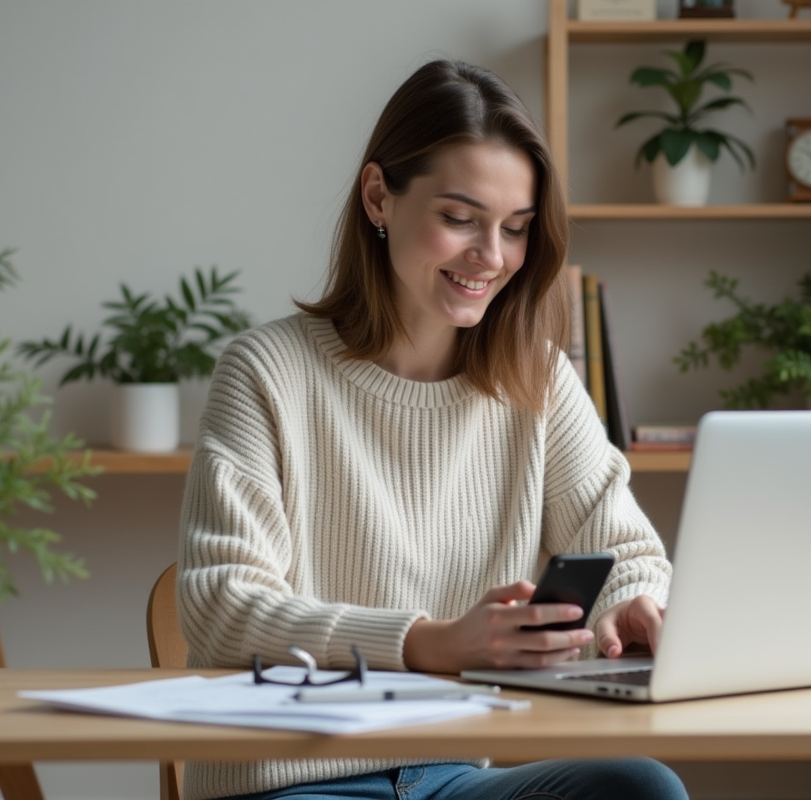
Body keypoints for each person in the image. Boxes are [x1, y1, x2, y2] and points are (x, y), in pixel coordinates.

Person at [177, 59, 688, 800]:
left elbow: (629, 550)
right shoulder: (267, 371)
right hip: (287, 783)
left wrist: (631, 603)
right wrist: (426, 643)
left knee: (642, 788)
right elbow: (222, 605)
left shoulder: (535, 378)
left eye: (515, 229)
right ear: (379, 196)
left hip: (453, 777)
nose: (491, 257)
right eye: (459, 219)